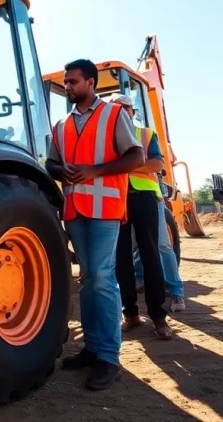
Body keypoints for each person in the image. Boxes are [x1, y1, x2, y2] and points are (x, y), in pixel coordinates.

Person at [45, 60, 147, 391]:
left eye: (73, 81)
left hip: (104, 209)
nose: (69, 86)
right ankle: (91, 348)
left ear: (90, 82)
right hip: (74, 210)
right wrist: (61, 172)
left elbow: (136, 157)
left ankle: (109, 358)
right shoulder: (61, 124)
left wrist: (94, 170)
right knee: (88, 279)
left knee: (103, 278)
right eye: (66, 82)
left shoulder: (113, 115)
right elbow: (50, 162)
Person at [111, 94, 185, 314]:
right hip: (119, 199)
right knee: (124, 252)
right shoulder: (107, 138)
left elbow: (156, 163)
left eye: (125, 108)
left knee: (160, 246)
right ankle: (133, 296)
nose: (121, 112)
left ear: (132, 111)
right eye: (116, 109)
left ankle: (176, 290)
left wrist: (124, 166)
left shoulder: (144, 134)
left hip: (148, 197)